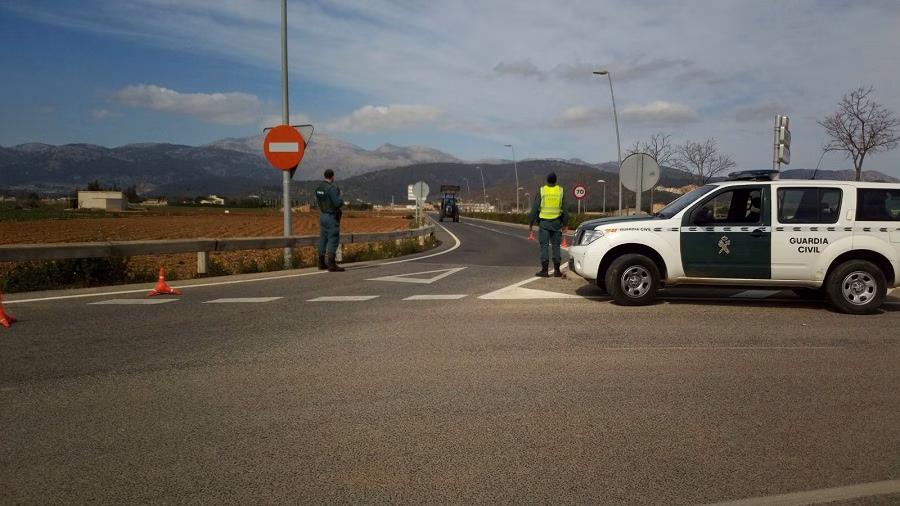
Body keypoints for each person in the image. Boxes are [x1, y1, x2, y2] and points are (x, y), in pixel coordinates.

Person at [528, 172, 569, 277]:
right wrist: (565, 224)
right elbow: (565, 209)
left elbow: (534, 208)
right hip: (556, 223)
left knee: (544, 246)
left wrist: (530, 223)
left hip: (544, 223)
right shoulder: (560, 191)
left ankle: (545, 271)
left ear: (547, 180)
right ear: (555, 180)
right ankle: (557, 271)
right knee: (556, 246)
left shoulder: (542, 191)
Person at [315, 169, 345, 272]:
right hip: (330, 216)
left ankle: (321, 262)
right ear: (332, 176)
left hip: (322, 215)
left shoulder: (319, 188)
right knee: (333, 237)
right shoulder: (331, 189)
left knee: (323, 238)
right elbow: (337, 204)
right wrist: (341, 200)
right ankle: (332, 264)